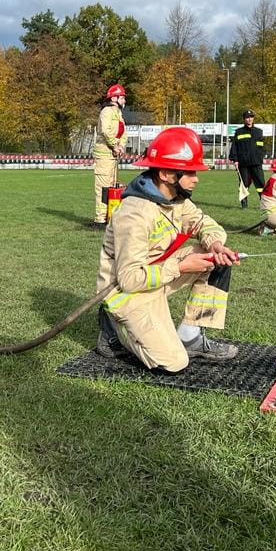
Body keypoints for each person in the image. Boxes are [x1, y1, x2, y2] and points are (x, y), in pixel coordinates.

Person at [95, 126, 242, 372]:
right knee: (174, 363)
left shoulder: (176, 200)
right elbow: (129, 279)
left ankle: (190, 336)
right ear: (165, 173)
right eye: (190, 172)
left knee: (217, 259)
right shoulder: (134, 214)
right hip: (127, 293)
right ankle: (113, 327)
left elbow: (204, 223)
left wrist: (215, 244)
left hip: (157, 279)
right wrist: (182, 266)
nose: (196, 178)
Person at [91, 83, 128, 228]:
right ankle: (100, 219)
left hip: (113, 155)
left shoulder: (118, 114)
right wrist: (114, 145)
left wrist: (120, 146)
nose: (124, 100)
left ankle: (109, 217)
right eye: (122, 97)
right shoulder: (106, 112)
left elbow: (124, 133)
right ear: (115, 98)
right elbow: (106, 131)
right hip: (104, 155)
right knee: (103, 186)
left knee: (112, 186)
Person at [228, 109, 266, 208]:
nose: (249, 119)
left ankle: (264, 204)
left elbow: (261, 147)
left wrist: (260, 157)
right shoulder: (239, 132)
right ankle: (244, 205)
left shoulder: (259, 132)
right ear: (244, 119)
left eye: (251, 117)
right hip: (243, 164)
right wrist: (235, 160)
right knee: (243, 185)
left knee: (261, 184)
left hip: (256, 163)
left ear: (253, 119)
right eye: (247, 117)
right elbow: (234, 147)